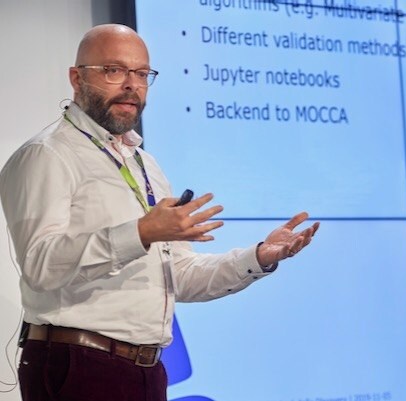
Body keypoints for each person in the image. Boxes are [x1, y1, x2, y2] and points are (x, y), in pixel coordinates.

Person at [0, 24, 319, 401]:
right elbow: (40, 266)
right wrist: (140, 233)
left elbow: (179, 278)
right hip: (78, 365)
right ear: (76, 78)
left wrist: (258, 256)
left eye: (142, 74)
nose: (131, 85)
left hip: (146, 369)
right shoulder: (47, 155)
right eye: (114, 71)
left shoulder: (144, 164)